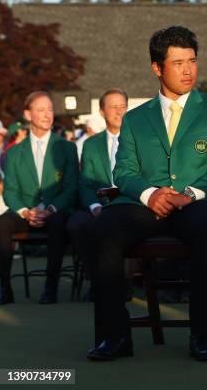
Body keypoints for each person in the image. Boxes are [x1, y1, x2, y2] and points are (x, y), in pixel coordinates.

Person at [86, 26, 207, 362]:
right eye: (178, 63)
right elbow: (123, 171)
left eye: (193, 61)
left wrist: (192, 193)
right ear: (157, 68)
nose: (188, 70)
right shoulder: (135, 119)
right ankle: (116, 336)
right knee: (101, 230)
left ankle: (201, 336)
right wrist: (150, 193)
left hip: (199, 202)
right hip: (145, 204)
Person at [0, 91, 78, 305]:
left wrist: (50, 209)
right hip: (25, 212)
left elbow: (71, 187)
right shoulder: (15, 153)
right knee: (2, 224)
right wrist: (25, 212)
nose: (47, 115)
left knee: (59, 221)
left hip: (55, 211)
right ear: (28, 114)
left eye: (50, 109)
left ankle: (50, 287)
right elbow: (10, 191)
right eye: (40, 110)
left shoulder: (67, 147)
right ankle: (4, 287)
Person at [67, 88, 128, 296]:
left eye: (122, 107)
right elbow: (85, 182)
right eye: (113, 107)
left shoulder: (140, 141)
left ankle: (123, 282)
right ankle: (96, 280)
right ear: (102, 112)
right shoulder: (91, 144)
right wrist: (93, 206)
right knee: (77, 224)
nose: (119, 112)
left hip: (129, 205)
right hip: (100, 204)